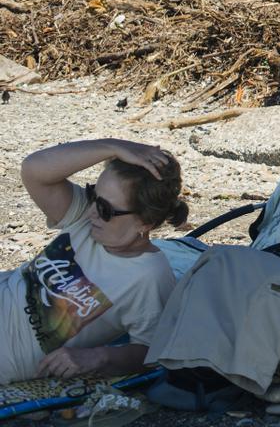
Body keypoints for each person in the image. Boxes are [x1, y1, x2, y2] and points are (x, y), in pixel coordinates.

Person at [0, 140, 186, 384]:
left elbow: (152, 351)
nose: (92, 213)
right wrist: (111, 147)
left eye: (106, 209)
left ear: (145, 223)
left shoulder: (149, 277)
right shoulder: (85, 219)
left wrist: (98, 356)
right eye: (93, 196)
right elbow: (34, 170)